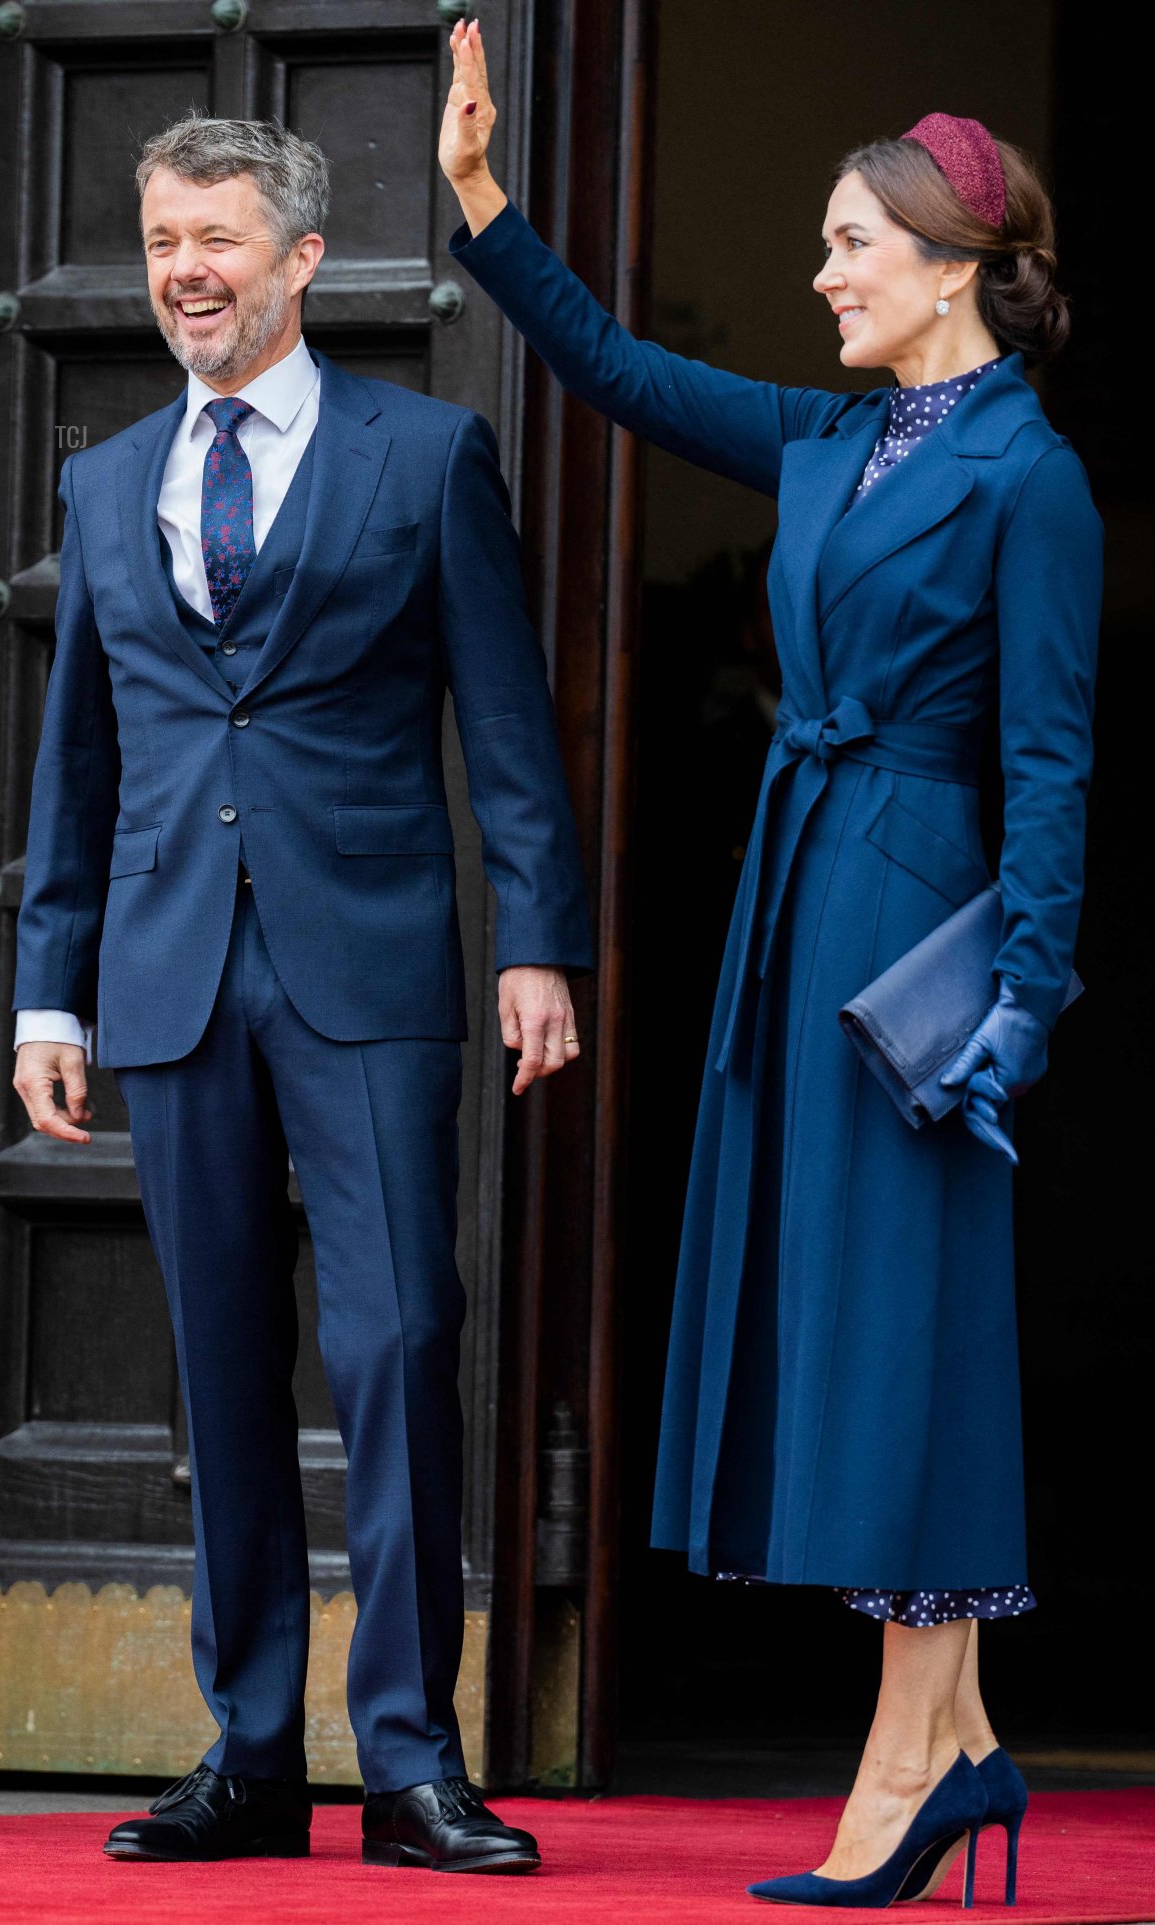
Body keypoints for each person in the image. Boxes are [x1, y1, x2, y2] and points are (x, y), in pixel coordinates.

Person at [439, 20, 1101, 1908]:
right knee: (856, 1322)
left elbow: (1052, 764)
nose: (821, 274)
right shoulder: (832, 436)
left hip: (920, 944)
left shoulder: (1032, 479)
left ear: (949, 270)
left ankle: (909, 1760)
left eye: (849, 245)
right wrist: (484, 202)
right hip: (796, 906)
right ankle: (962, 1746)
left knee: (911, 1335)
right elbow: (618, 370)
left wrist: (1022, 998)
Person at [10, 110, 594, 1873]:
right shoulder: (108, 481)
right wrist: (49, 996)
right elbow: (79, 760)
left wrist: (538, 939)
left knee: (401, 1337)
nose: (184, 271)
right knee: (221, 1355)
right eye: (162, 239)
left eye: (218, 239)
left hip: (371, 962)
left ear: (303, 259)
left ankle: (411, 1759)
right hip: (171, 970)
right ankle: (252, 1755)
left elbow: (507, 726)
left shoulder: (426, 454)